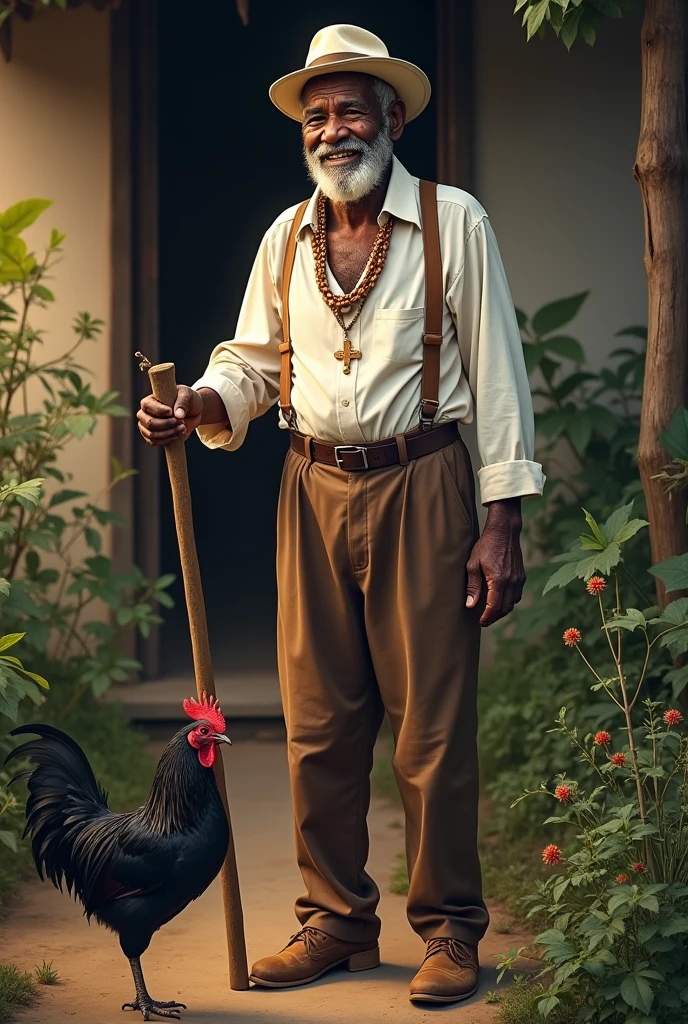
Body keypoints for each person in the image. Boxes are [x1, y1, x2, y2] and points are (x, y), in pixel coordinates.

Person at [138, 23, 544, 1006]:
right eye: (316, 115)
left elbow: (495, 375)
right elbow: (254, 363)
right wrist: (198, 402)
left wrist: (501, 520)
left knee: (430, 729)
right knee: (318, 721)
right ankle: (334, 922)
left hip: (426, 482)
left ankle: (448, 927)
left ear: (391, 118)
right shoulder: (287, 237)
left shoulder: (455, 224)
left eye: (349, 109)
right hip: (312, 487)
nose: (331, 128)